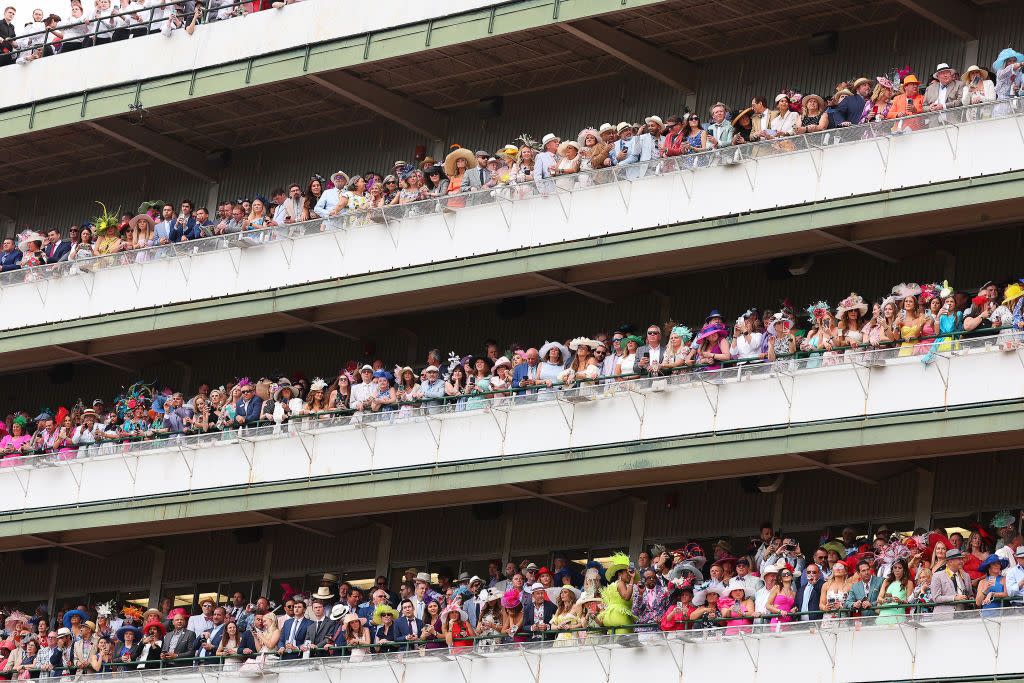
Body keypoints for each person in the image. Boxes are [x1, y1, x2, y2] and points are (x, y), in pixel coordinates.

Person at [876, 559, 914, 624]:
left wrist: (900, 601)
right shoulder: (886, 581)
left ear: (904, 570)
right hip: (883, 615)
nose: (897, 570)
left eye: (900, 568)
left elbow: (909, 602)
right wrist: (885, 600)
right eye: (895, 567)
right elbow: (879, 598)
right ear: (892, 569)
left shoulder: (909, 583)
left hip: (898, 617)